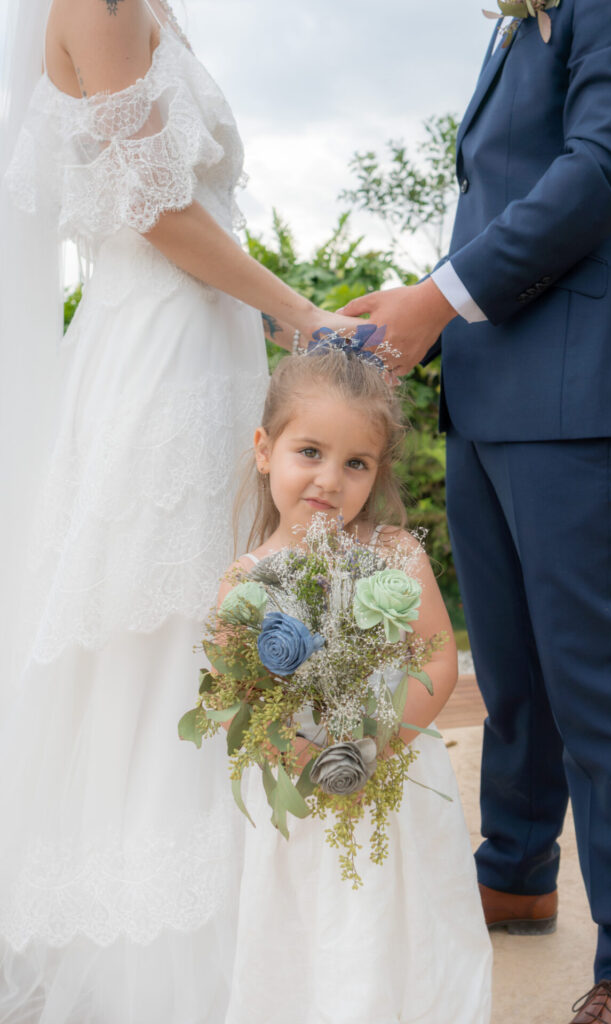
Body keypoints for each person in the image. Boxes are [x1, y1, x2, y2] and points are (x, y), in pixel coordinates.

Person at [0, 0, 360, 1019]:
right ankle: (149, 968)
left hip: (209, 353)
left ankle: (252, 925)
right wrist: (304, 315)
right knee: (155, 632)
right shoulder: (93, 1)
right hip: (155, 358)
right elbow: (152, 209)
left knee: (221, 621)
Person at [341, 0, 611, 1020]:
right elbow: (502, 195)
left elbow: (608, 165)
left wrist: (434, 298)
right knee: (512, 664)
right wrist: (424, 314)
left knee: (596, 679)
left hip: (576, 392)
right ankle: (517, 870)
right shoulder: (515, 25)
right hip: (486, 388)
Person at [217, 344, 492, 1024]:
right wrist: (291, 750)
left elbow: (435, 661)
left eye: (355, 463)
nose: (329, 480)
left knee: (405, 922)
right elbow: (232, 697)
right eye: (309, 451)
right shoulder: (246, 579)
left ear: (376, 472)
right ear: (264, 449)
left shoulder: (394, 554)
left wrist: (373, 743)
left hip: (393, 783)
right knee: (309, 927)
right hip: (302, 795)